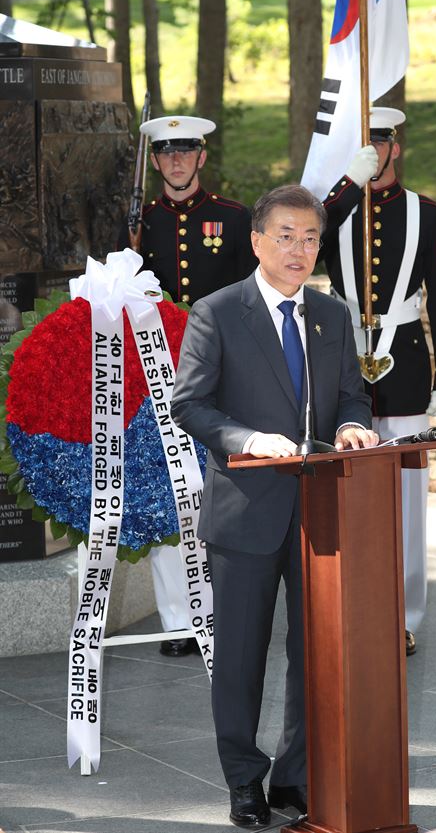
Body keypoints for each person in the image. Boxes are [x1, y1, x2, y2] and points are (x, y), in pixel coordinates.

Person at [170, 184, 376, 827]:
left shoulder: (332, 315)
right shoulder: (217, 312)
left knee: (314, 652)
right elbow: (190, 403)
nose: (299, 249)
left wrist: (350, 426)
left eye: (310, 237)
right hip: (247, 509)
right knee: (240, 656)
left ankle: (294, 778)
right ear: (257, 242)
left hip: (320, 510)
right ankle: (243, 783)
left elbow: (352, 396)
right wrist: (249, 439)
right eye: (285, 235)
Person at [320, 107, 436, 656]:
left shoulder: (428, 213)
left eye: (382, 143)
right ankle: (350, 606)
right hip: (342, 362)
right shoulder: (333, 210)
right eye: (364, 144)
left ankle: (403, 614)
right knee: (343, 494)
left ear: (395, 147)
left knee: (406, 498)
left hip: (403, 361)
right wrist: (347, 184)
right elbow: (305, 232)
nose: (375, 152)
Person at [119, 115, 258, 657]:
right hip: (154, 374)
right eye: (166, 153)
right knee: (165, 492)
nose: (176, 161)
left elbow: (251, 299)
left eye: (185, 152)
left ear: (201, 157)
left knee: (221, 491)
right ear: (155, 162)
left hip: (220, 373)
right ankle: (178, 619)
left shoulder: (232, 217)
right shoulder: (139, 222)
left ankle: (226, 607)